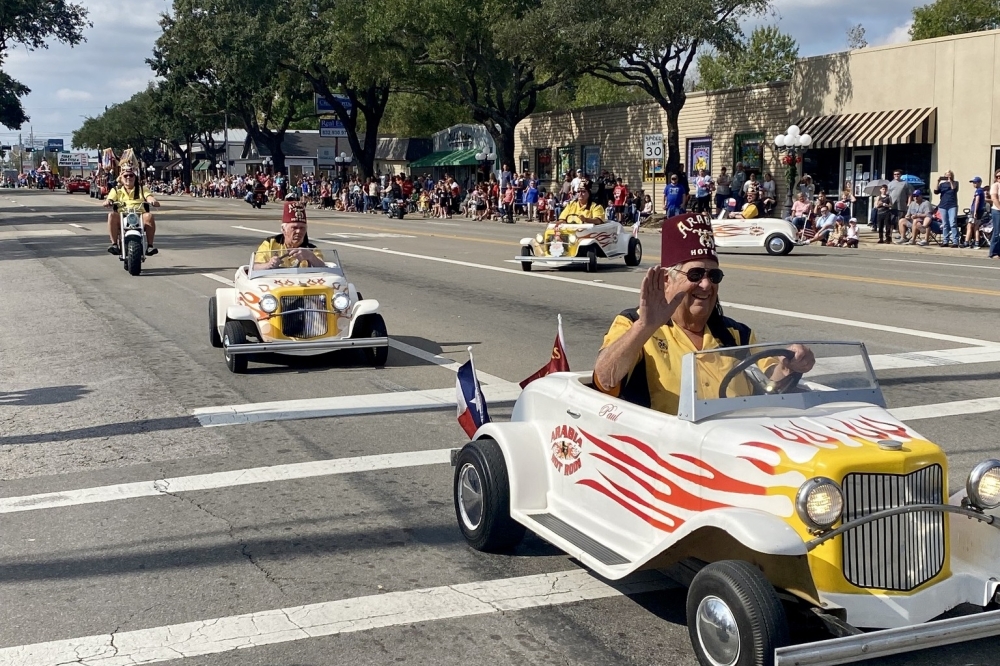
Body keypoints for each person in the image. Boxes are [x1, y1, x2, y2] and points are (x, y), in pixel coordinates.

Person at [592, 212, 815, 414]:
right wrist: (645, 327)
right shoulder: (633, 323)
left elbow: (770, 386)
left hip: (734, 443)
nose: (706, 285)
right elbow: (604, 380)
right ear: (667, 280)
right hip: (664, 449)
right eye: (695, 275)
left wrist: (791, 365)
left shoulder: (736, 335)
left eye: (714, 276)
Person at [104, 164, 160, 256]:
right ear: (121, 178)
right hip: (122, 216)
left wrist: (153, 201)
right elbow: (110, 199)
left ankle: (150, 246)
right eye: (125, 175)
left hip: (139, 215)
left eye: (131, 175)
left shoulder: (142, 188)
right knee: (111, 215)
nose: (128, 177)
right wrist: (108, 202)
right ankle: (114, 245)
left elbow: (149, 197)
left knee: (149, 216)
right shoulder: (116, 190)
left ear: (135, 177)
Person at [253, 201, 325, 269]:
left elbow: (325, 270)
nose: (298, 231)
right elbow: (255, 268)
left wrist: (310, 257)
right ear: (283, 229)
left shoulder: (311, 249)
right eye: (294, 227)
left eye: (302, 228)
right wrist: (268, 265)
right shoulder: (270, 243)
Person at [934, 170, 959, 247]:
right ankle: (945, 241)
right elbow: (936, 191)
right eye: (946, 175)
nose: (948, 177)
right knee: (945, 224)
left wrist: (950, 180)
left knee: (953, 223)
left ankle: (955, 241)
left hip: (952, 205)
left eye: (949, 175)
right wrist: (937, 181)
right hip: (943, 206)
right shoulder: (942, 184)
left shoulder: (955, 183)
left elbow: (954, 189)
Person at [888, 169, 913, 236]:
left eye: (898, 174)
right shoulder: (890, 184)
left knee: (901, 221)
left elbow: (910, 194)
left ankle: (902, 236)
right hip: (892, 206)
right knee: (891, 221)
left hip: (902, 206)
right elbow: (888, 195)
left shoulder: (905, 183)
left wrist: (909, 203)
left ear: (901, 175)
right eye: (895, 174)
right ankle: (889, 236)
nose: (896, 175)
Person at [964, 176, 986, 248]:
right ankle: (977, 242)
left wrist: (975, 211)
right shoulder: (981, 191)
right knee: (976, 227)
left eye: (975, 182)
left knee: (969, 226)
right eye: (973, 182)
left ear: (979, 183)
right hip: (980, 211)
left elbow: (977, 201)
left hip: (975, 211)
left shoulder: (978, 191)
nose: (974, 184)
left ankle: (966, 242)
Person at [990, 170, 1000, 259]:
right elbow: (994, 198)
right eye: (997, 177)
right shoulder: (995, 186)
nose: (999, 178)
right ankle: (993, 252)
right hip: (997, 211)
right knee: (997, 232)